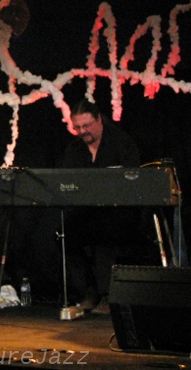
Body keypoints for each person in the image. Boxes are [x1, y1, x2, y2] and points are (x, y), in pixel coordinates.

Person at [61, 99, 142, 311]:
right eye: (77, 127)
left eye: (87, 126)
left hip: (117, 209)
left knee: (108, 232)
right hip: (86, 209)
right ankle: (88, 292)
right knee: (66, 232)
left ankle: (109, 294)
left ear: (99, 119)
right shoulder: (74, 148)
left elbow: (133, 180)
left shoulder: (121, 142)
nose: (82, 131)